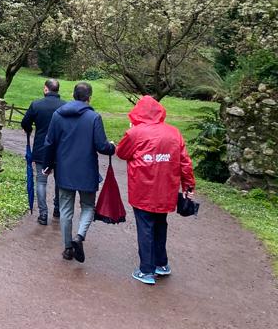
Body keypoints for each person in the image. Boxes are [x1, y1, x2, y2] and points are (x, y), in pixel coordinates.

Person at [115, 96, 195, 285]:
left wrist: (132, 130)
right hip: (166, 190)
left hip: (142, 189)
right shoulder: (174, 133)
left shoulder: (135, 133)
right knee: (160, 225)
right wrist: (188, 186)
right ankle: (161, 264)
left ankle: (146, 270)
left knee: (145, 227)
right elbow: (185, 162)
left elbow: (121, 153)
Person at [43, 81, 115, 263]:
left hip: (64, 169)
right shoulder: (94, 117)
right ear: (89, 97)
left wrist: (47, 165)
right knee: (88, 206)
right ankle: (79, 236)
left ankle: (68, 248)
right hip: (87, 170)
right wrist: (112, 147)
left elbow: (50, 142)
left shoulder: (58, 115)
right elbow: (102, 146)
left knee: (65, 209)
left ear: (73, 95)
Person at [21, 78, 65, 225]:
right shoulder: (65, 106)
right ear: (57, 89)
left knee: (41, 181)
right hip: (60, 149)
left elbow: (25, 123)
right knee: (60, 181)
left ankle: (43, 214)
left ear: (46, 89)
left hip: (42, 148)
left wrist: (29, 129)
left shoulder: (36, 104)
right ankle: (57, 209)